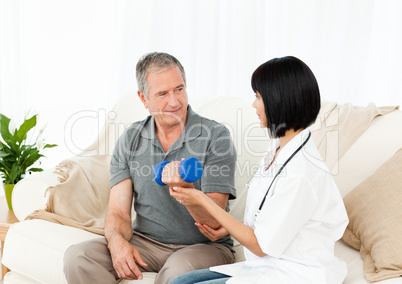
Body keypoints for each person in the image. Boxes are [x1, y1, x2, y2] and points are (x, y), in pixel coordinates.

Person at [169, 56, 349, 284]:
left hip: (295, 274)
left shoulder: (301, 172)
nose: (253, 105)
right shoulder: (277, 150)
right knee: (181, 282)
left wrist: (200, 199)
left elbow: (262, 245)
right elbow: (270, 216)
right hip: (269, 265)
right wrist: (228, 229)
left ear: (279, 100)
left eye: (258, 96)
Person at [63, 52, 237, 284]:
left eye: (179, 89)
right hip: (146, 242)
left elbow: (215, 222)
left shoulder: (216, 136)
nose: (175, 102)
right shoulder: (131, 138)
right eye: (163, 94)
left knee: (178, 272)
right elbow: (118, 211)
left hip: (203, 246)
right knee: (78, 256)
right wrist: (116, 243)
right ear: (144, 99)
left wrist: (186, 190)